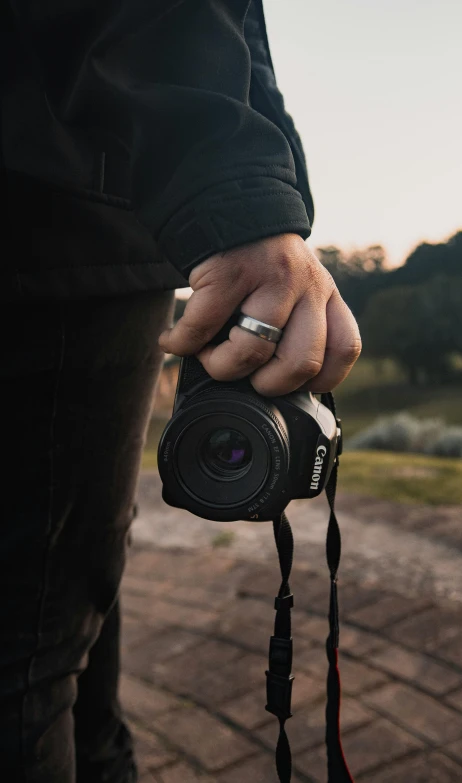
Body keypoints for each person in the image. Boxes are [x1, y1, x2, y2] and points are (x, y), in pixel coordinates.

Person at [1, 1, 361, 780]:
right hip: (69, 208)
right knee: (29, 647)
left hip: (76, 206)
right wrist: (232, 186)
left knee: (54, 615)